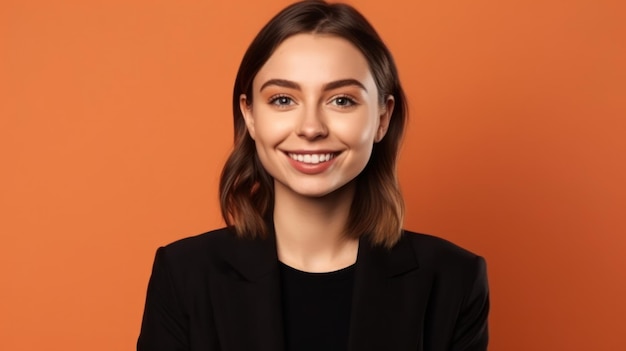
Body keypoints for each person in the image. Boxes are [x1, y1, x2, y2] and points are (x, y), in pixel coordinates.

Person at [137, 1, 489, 350]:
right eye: (282, 100)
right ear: (250, 115)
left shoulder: (454, 279)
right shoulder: (183, 276)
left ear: (383, 117)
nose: (311, 128)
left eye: (341, 100)